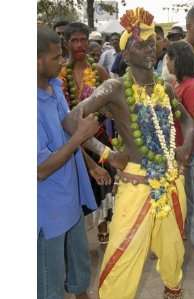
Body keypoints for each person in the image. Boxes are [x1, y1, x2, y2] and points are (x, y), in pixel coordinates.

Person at [62, 7, 194, 299]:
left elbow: (187, 119)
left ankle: (173, 292)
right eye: (139, 44)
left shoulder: (165, 88)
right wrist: (107, 155)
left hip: (172, 179)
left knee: (173, 249)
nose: (148, 49)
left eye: (151, 43)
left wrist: (185, 147)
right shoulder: (114, 87)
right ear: (126, 52)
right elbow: (71, 120)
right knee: (124, 252)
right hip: (136, 182)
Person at [37, 26, 100, 299]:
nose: (62, 62)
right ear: (36, 60)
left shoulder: (54, 88)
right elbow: (40, 170)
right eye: (55, 57)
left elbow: (67, 129)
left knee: (79, 267)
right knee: (49, 282)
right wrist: (80, 137)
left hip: (70, 197)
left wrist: (94, 163)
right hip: (47, 209)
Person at [59, 22, 115, 245]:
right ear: (67, 43)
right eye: (74, 40)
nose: (80, 44)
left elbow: (113, 100)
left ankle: (103, 226)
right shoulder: (61, 75)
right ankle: (77, 233)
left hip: (98, 136)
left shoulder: (99, 71)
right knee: (78, 187)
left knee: (102, 185)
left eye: (83, 39)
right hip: (72, 141)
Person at [166, 41, 194, 256]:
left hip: (193, 155)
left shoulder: (193, 87)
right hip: (185, 154)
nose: (166, 62)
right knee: (190, 201)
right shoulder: (178, 85)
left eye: (169, 58)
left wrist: (187, 154)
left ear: (178, 60)